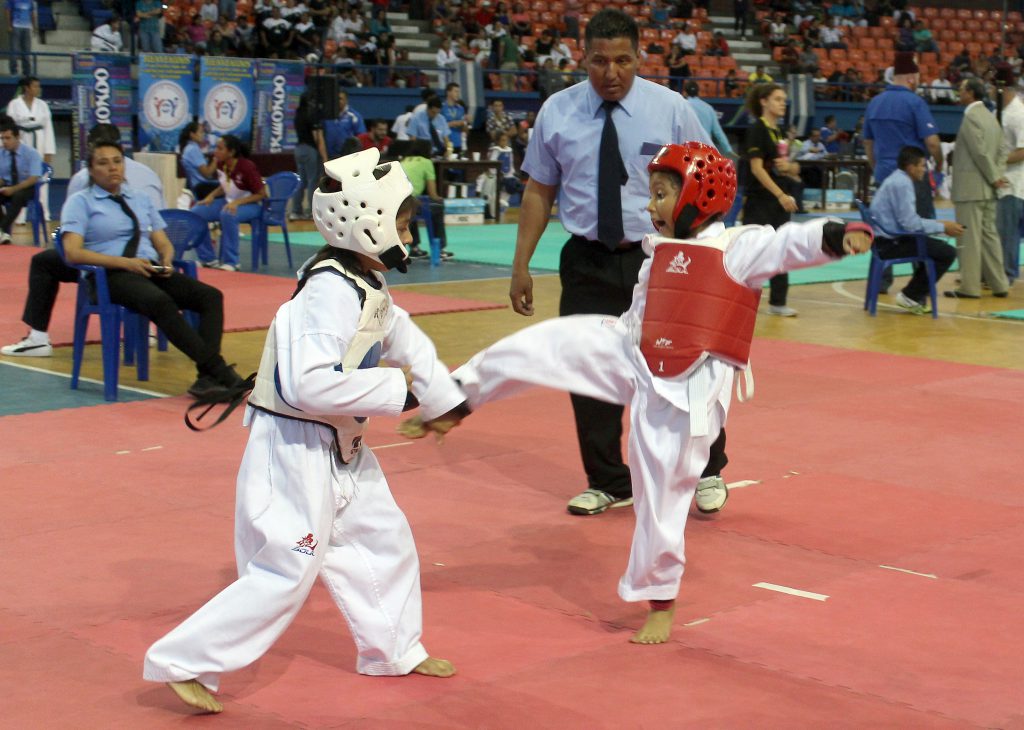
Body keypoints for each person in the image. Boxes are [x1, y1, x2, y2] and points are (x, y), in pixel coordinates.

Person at [403, 142, 874, 643]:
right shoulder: (662, 246)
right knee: (547, 342)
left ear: (698, 196)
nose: (649, 206)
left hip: (681, 391)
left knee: (660, 496)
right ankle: (455, 400)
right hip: (631, 348)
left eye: (661, 194)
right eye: (651, 194)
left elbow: (788, 243)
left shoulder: (738, 246)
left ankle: (660, 597)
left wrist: (837, 235)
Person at [143, 148, 465, 713]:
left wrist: (442, 401)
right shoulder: (328, 290)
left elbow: (403, 337)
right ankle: (185, 660)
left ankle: (393, 649)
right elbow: (308, 385)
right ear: (367, 223)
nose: (409, 235)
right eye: (402, 223)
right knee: (287, 566)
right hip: (292, 446)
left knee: (383, 540)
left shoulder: (365, 282)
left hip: (341, 444)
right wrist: (401, 392)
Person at [510, 8, 731, 517]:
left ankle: (708, 467)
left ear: (639, 57)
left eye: (623, 61)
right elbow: (539, 190)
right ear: (583, 57)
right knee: (588, 371)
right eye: (599, 61)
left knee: (686, 365)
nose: (611, 72)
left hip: (662, 256)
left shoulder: (670, 109)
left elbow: (709, 182)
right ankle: (609, 480)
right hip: (586, 259)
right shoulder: (557, 112)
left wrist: (708, 255)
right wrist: (521, 265)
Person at [59, 140, 241, 396]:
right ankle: (220, 371)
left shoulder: (140, 198)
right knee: (159, 301)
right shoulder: (80, 202)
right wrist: (125, 263)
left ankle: (207, 378)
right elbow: (72, 252)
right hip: (109, 275)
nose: (112, 168)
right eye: (103, 163)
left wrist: (166, 259)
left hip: (147, 268)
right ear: (90, 169)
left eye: (117, 161)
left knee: (209, 296)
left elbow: (162, 241)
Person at [2, 124, 164, 358]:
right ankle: (146, 329)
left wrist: (56, 240)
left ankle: (37, 338)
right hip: (153, 256)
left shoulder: (84, 178)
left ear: (91, 149)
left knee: (43, 261)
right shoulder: (150, 173)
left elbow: (72, 229)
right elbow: (161, 220)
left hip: (111, 262)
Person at [863, 52, 943, 294]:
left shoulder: (875, 102)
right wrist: (940, 165)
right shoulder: (915, 102)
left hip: (883, 173)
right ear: (911, 78)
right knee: (919, 228)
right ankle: (918, 287)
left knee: (882, 229)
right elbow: (932, 143)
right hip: (912, 175)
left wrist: (877, 167)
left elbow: (868, 143)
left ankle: (880, 282)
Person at [869, 146, 962, 313]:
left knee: (936, 247)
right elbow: (910, 224)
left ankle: (912, 293)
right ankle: (910, 295)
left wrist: (941, 226)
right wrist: (943, 226)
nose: (924, 170)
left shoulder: (896, 178)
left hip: (884, 240)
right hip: (890, 243)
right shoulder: (903, 184)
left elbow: (908, 222)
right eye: (922, 165)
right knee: (947, 252)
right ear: (911, 167)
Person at [741, 83, 801, 316]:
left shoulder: (780, 133)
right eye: (777, 99)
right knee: (753, 252)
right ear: (764, 102)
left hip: (780, 202)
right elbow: (757, 169)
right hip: (760, 201)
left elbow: (790, 168)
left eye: (784, 99)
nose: (783, 103)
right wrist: (780, 195)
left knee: (781, 250)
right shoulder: (757, 129)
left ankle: (778, 301)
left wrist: (790, 167)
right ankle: (740, 300)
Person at [948, 78, 1010, 299]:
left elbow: (979, 152)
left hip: (971, 189)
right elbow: (1003, 150)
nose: (959, 92)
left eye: (961, 89)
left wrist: (994, 177)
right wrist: (997, 176)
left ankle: (970, 286)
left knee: (969, 239)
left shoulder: (971, 117)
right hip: (987, 190)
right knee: (989, 238)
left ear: (970, 93)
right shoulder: (991, 118)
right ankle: (999, 283)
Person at [190, 135, 267, 272]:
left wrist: (237, 202)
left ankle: (232, 261)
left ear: (231, 152)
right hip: (229, 201)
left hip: (252, 205)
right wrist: (211, 196)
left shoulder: (247, 167)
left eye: (220, 149)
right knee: (196, 212)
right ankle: (208, 259)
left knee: (227, 214)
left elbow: (261, 194)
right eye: (216, 148)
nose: (215, 151)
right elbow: (225, 185)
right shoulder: (221, 164)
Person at [6, 76, 54, 221]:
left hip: (39, 140)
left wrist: (49, 151)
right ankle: (19, 216)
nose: (38, 89)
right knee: (19, 175)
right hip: (20, 140)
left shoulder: (42, 105)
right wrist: (8, 147)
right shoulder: (14, 104)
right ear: (26, 88)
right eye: (35, 86)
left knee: (40, 175)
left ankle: (43, 213)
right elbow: (9, 127)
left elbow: (48, 128)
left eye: (38, 86)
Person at [398, 139, 450, 260]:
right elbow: (433, 194)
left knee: (412, 208)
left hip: (397, 204)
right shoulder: (426, 162)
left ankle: (414, 248)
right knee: (437, 206)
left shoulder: (403, 161)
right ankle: (440, 249)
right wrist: (439, 199)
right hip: (411, 203)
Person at [996, 66, 1024, 287]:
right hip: (1003, 180)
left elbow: (1023, 150)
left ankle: (1007, 273)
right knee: (1002, 230)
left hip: (1014, 182)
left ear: (1002, 88)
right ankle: (999, 271)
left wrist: (997, 161)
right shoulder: (1001, 111)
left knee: (1008, 231)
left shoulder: (1018, 114)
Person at [0, 115, 40, 245]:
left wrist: (13, 189)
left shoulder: (31, 153)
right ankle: (4, 233)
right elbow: (2, 177)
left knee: (18, 196)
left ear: (17, 138)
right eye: (2, 138)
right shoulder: (1, 153)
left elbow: (34, 178)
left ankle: (1, 228)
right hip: (8, 186)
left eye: (8, 138)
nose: (4, 142)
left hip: (26, 187)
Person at [291, 91, 327, 221]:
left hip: (298, 149)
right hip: (310, 150)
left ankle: (295, 211)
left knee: (301, 180)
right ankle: (311, 211)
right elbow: (318, 139)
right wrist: (325, 158)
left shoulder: (298, 115)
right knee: (313, 180)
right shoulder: (312, 116)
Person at [683, 80, 734, 157]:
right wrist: (728, 149)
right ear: (698, 92)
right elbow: (718, 131)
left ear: (685, 93)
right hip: (705, 149)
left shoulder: (683, 106)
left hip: (687, 149)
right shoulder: (708, 108)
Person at [178, 121, 219, 202]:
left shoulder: (189, 148)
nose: (203, 135)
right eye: (201, 132)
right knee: (228, 187)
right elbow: (207, 173)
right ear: (192, 134)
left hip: (199, 186)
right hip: (202, 187)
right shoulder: (193, 149)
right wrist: (217, 158)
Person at [323, 90, 366, 159]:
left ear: (346, 100)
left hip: (348, 157)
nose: (337, 101)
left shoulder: (354, 116)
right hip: (328, 156)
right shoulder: (326, 116)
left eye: (340, 99)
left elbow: (361, 136)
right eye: (335, 99)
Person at [6, 0, 35, 76]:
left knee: (27, 51)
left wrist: (33, 26)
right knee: (14, 50)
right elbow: (8, 11)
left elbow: (32, 13)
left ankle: (27, 72)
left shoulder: (30, 1)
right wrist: (9, 25)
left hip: (27, 27)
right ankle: (13, 72)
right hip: (16, 26)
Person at [440, 82, 469, 156]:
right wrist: (452, 124)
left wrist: (465, 123)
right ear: (448, 92)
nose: (458, 94)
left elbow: (465, 130)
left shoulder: (461, 108)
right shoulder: (442, 107)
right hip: (445, 143)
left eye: (458, 92)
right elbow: (438, 126)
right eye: (455, 91)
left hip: (459, 143)